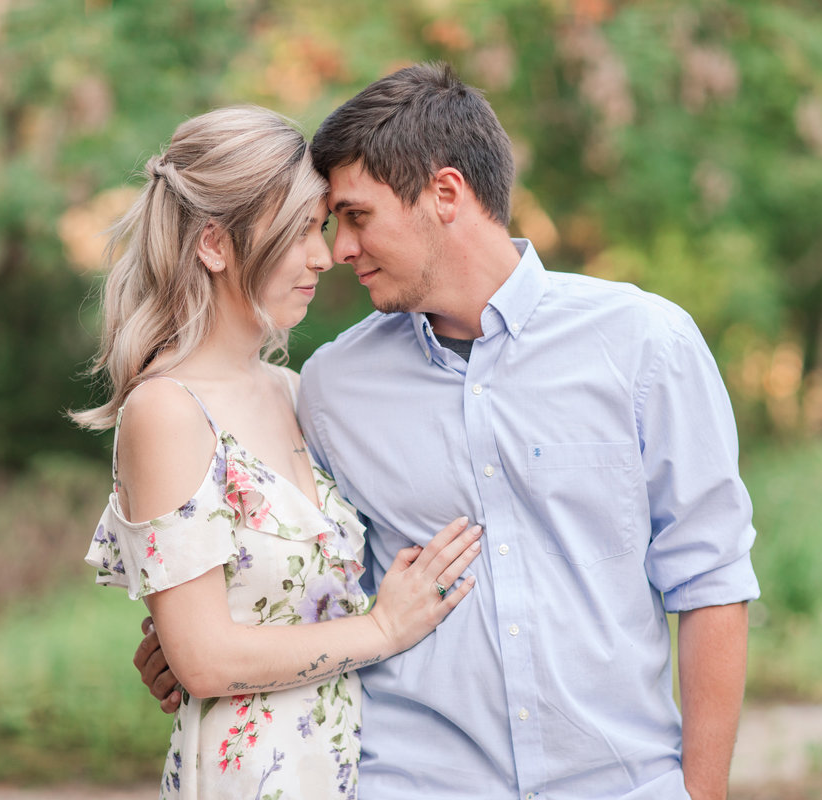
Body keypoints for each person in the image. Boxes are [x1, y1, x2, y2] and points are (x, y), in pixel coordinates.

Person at [137, 64, 760, 800]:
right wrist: (192, 640)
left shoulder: (645, 344)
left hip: (620, 784)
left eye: (357, 216)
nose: (338, 249)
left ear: (445, 194)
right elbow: (292, 555)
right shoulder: (334, 387)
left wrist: (702, 793)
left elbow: (710, 580)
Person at [73, 105, 482, 800]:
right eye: (297, 232)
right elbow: (204, 660)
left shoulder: (297, 391)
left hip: (351, 763)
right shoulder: (167, 412)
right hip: (255, 776)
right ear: (214, 245)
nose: (325, 256)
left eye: (320, 229)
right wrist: (381, 625)